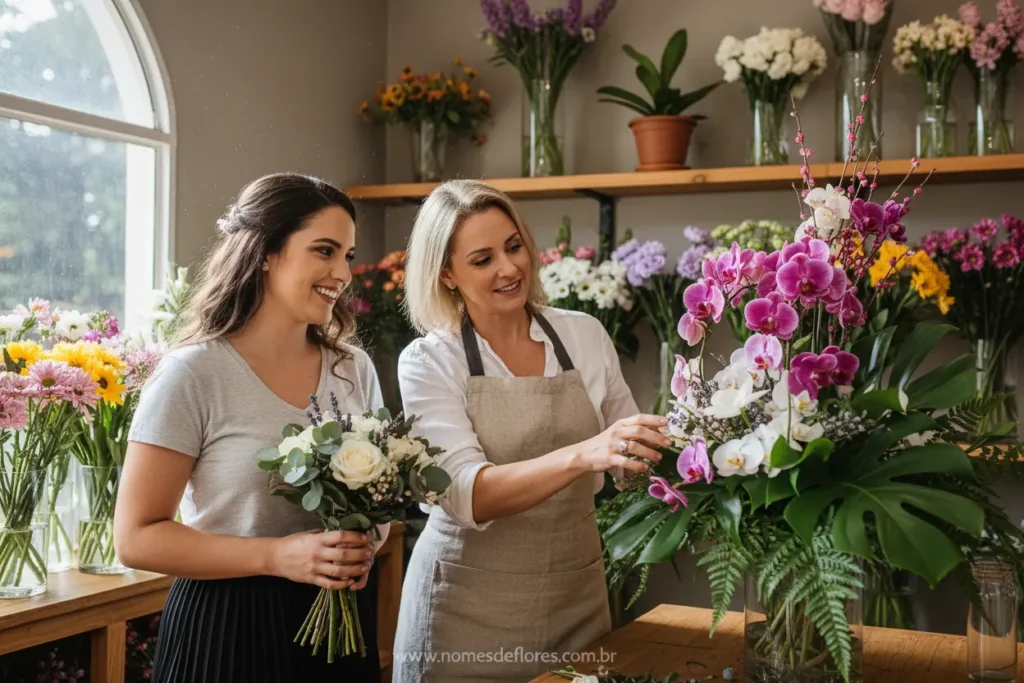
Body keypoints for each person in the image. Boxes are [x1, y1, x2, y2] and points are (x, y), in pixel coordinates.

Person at [391, 179, 671, 682]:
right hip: (465, 609)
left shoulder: (583, 334)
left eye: (514, 245)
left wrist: (699, 438)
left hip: (576, 598)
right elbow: (466, 494)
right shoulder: (430, 361)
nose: (509, 267)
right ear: (447, 274)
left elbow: (630, 456)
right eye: (483, 259)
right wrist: (585, 454)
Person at [114, 173, 388, 683]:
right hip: (225, 631)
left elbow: (379, 499)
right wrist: (278, 556)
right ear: (265, 251)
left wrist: (366, 536)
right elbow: (135, 538)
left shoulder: (355, 369)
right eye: (324, 250)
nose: (343, 272)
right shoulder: (193, 374)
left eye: (347, 255)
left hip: (339, 628)